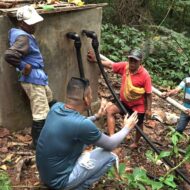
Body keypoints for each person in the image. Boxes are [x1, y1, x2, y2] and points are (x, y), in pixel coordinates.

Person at [36, 77, 138, 190]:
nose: (91, 97)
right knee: (110, 156)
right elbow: (110, 144)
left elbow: (73, 125)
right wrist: (127, 127)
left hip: (45, 176)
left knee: (85, 143)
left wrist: (97, 116)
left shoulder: (56, 107)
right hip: (60, 182)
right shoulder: (81, 124)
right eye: (90, 95)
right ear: (86, 99)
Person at [4, 5, 55, 147]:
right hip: (32, 78)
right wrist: (23, 65)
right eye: (31, 23)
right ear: (21, 23)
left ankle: (54, 128)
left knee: (50, 99)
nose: (35, 26)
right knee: (40, 112)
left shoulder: (20, 33)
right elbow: (9, 55)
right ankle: (38, 143)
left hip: (38, 77)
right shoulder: (22, 37)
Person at [88, 49, 152, 148]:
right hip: (124, 102)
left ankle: (136, 142)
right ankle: (112, 138)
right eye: (131, 60)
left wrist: (148, 110)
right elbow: (110, 65)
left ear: (140, 62)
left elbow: (148, 93)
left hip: (138, 105)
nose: (132, 63)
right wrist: (96, 60)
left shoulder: (145, 75)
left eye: (135, 61)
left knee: (138, 124)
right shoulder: (125, 67)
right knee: (110, 111)